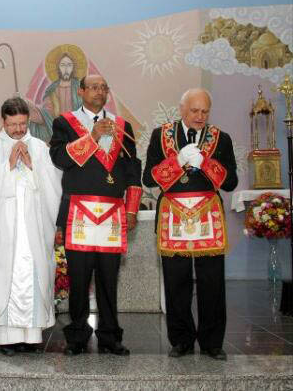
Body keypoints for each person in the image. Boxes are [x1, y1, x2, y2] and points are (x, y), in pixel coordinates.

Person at [49, 74, 142, 356]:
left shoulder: (122, 125)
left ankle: (110, 336)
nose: (99, 92)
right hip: (78, 210)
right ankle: (77, 336)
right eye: (94, 87)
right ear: (81, 91)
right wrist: (93, 137)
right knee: (78, 278)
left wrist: (133, 208)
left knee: (108, 278)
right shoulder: (64, 122)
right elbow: (59, 158)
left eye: (104, 87)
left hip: (113, 211)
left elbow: (132, 169)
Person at [142, 88, 238, 360]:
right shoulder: (160, 135)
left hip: (208, 214)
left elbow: (231, 182)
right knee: (176, 281)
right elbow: (148, 179)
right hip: (173, 214)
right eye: (194, 111)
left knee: (212, 281)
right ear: (182, 110)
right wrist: (178, 160)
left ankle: (212, 342)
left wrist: (206, 163)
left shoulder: (222, 138)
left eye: (205, 111)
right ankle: (181, 340)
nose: (200, 116)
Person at [0, 97, 62, 356]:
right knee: (5, 278)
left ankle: (31, 337)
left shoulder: (40, 148)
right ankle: (7, 338)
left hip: (33, 228)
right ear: (3, 121)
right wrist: (8, 165)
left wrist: (33, 166)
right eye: (13, 124)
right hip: (4, 231)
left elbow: (54, 183)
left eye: (23, 124)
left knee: (33, 275)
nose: (19, 130)